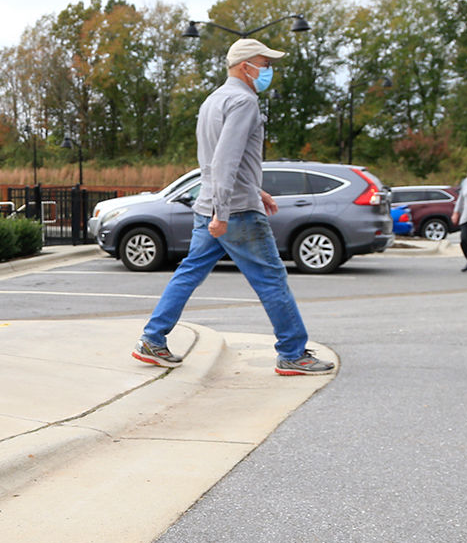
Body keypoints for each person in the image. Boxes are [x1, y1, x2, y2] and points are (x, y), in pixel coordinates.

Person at [132, 39, 334, 376]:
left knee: (189, 273)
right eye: (264, 63)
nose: (268, 70)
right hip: (234, 212)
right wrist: (223, 214)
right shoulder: (244, 102)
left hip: (212, 205)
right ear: (246, 67)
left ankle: (152, 339)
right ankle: (293, 353)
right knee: (272, 279)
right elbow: (225, 161)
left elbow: (214, 162)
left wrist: (255, 191)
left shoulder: (213, 101)